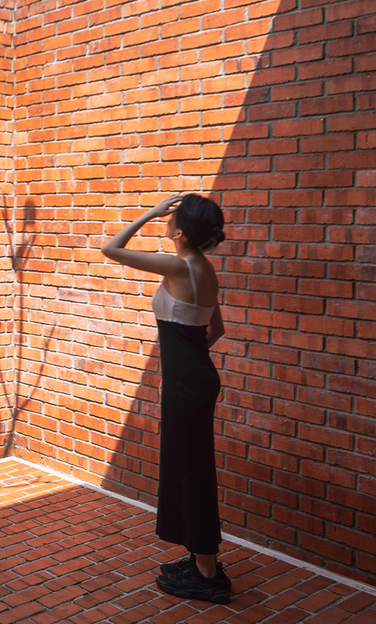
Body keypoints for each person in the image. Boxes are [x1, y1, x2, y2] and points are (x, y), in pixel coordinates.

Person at [102, 192, 231, 604]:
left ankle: (209, 573)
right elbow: (216, 330)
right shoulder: (205, 269)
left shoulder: (178, 266)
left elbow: (111, 249)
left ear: (179, 231)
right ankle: (200, 559)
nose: (165, 222)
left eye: (170, 219)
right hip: (196, 381)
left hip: (186, 387)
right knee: (188, 466)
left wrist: (149, 213)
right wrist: (188, 366)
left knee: (191, 472)